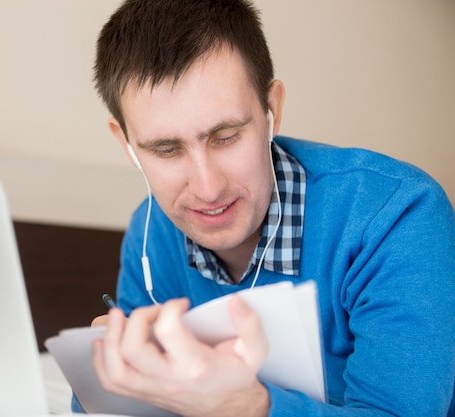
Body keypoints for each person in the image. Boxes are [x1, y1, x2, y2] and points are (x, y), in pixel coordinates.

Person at [76, 0, 455, 415]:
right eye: (166, 150)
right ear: (126, 145)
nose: (207, 188)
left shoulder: (396, 216)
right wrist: (106, 377)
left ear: (271, 110)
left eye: (225, 137)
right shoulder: (149, 236)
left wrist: (249, 406)